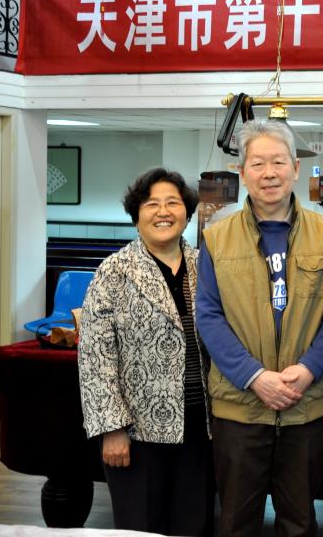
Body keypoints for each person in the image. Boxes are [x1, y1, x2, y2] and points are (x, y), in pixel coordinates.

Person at [196, 119, 323, 537]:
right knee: (236, 522)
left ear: (295, 168)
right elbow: (208, 315)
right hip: (240, 407)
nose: (269, 173)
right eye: (258, 163)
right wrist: (254, 376)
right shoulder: (216, 238)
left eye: (279, 162)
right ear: (242, 172)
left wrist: (309, 369)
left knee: (299, 522)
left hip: (306, 406)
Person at [78, 167, 213, 535]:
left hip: (199, 426)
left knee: (194, 524)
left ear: (187, 213)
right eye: (152, 204)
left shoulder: (205, 266)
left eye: (173, 203)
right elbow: (95, 358)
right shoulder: (113, 271)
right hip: (137, 432)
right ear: (136, 215)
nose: (163, 212)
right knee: (140, 527)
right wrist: (112, 429)